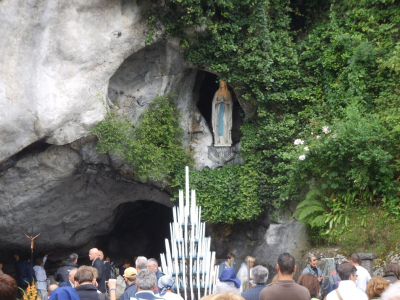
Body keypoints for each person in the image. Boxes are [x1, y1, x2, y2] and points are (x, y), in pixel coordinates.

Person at [212, 80, 233, 147]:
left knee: (225, 123)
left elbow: (231, 103)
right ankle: (219, 140)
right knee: (219, 123)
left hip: (226, 110)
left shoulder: (228, 93)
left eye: (223, 83)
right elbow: (213, 102)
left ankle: (226, 140)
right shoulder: (217, 92)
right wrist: (219, 102)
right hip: (219, 110)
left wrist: (225, 102)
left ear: (225, 84)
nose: (221, 84)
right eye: (220, 83)